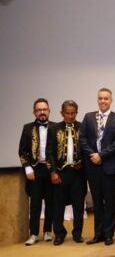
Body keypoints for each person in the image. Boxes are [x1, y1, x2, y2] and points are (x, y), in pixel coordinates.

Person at [79, 88, 115, 245]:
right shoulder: (88, 117)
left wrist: (101, 155)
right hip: (93, 167)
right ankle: (98, 234)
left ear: (111, 100)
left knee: (110, 202)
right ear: (97, 100)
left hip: (110, 167)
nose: (103, 101)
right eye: (100, 98)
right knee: (97, 202)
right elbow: (82, 139)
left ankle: (109, 234)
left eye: (106, 98)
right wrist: (93, 155)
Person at [46, 100, 86, 245]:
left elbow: (88, 150)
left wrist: (82, 163)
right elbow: (49, 152)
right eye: (67, 113)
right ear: (62, 113)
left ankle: (77, 233)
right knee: (58, 205)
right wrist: (53, 172)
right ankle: (59, 234)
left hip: (78, 174)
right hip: (60, 173)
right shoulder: (54, 128)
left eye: (73, 113)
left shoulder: (83, 127)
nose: (70, 116)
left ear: (77, 112)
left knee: (79, 205)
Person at [19, 98, 55, 245]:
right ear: (34, 112)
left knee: (51, 202)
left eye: (44, 109)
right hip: (35, 170)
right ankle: (33, 234)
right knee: (35, 204)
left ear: (49, 111)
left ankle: (47, 231)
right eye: (39, 110)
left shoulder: (55, 127)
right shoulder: (27, 128)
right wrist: (27, 168)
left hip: (51, 170)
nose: (42, 112)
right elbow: (22, 151)